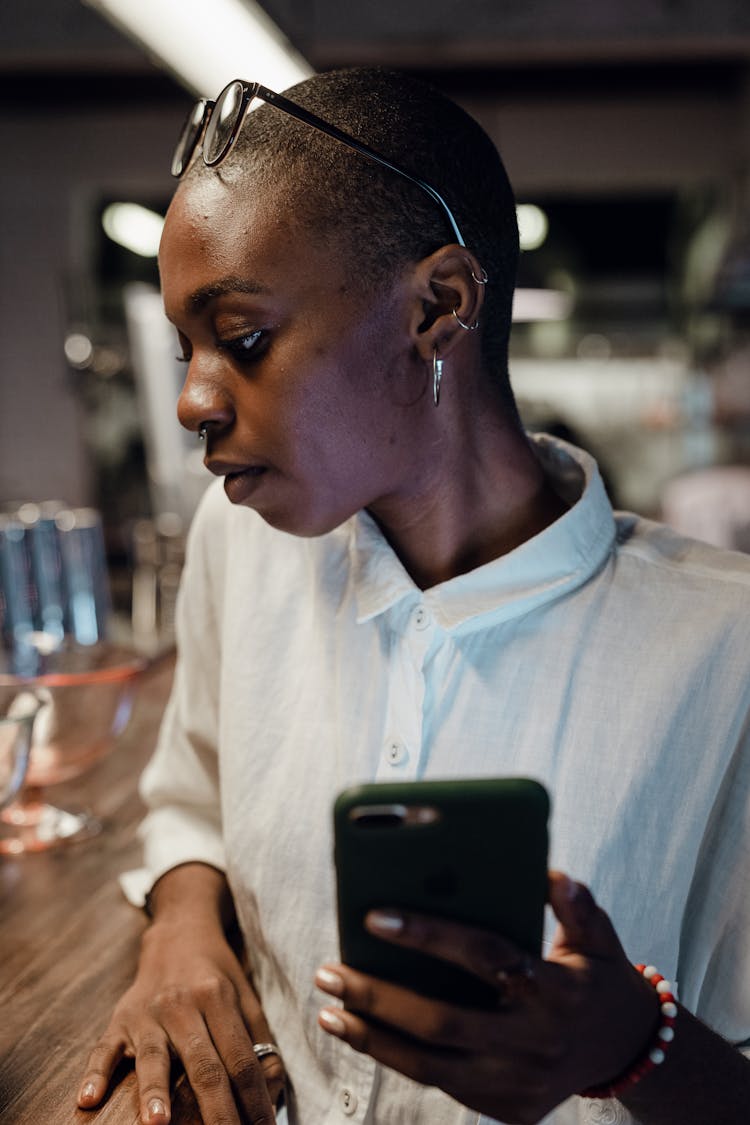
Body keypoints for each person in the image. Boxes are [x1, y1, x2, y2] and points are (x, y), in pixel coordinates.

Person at [77, 68, 750, 1125]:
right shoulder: (240, 546)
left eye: (242, 337)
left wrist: (634, 1046)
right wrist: (181, 932)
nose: (194, 401)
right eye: (186, 349)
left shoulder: (727, 649)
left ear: (440, 306)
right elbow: (191, 796)